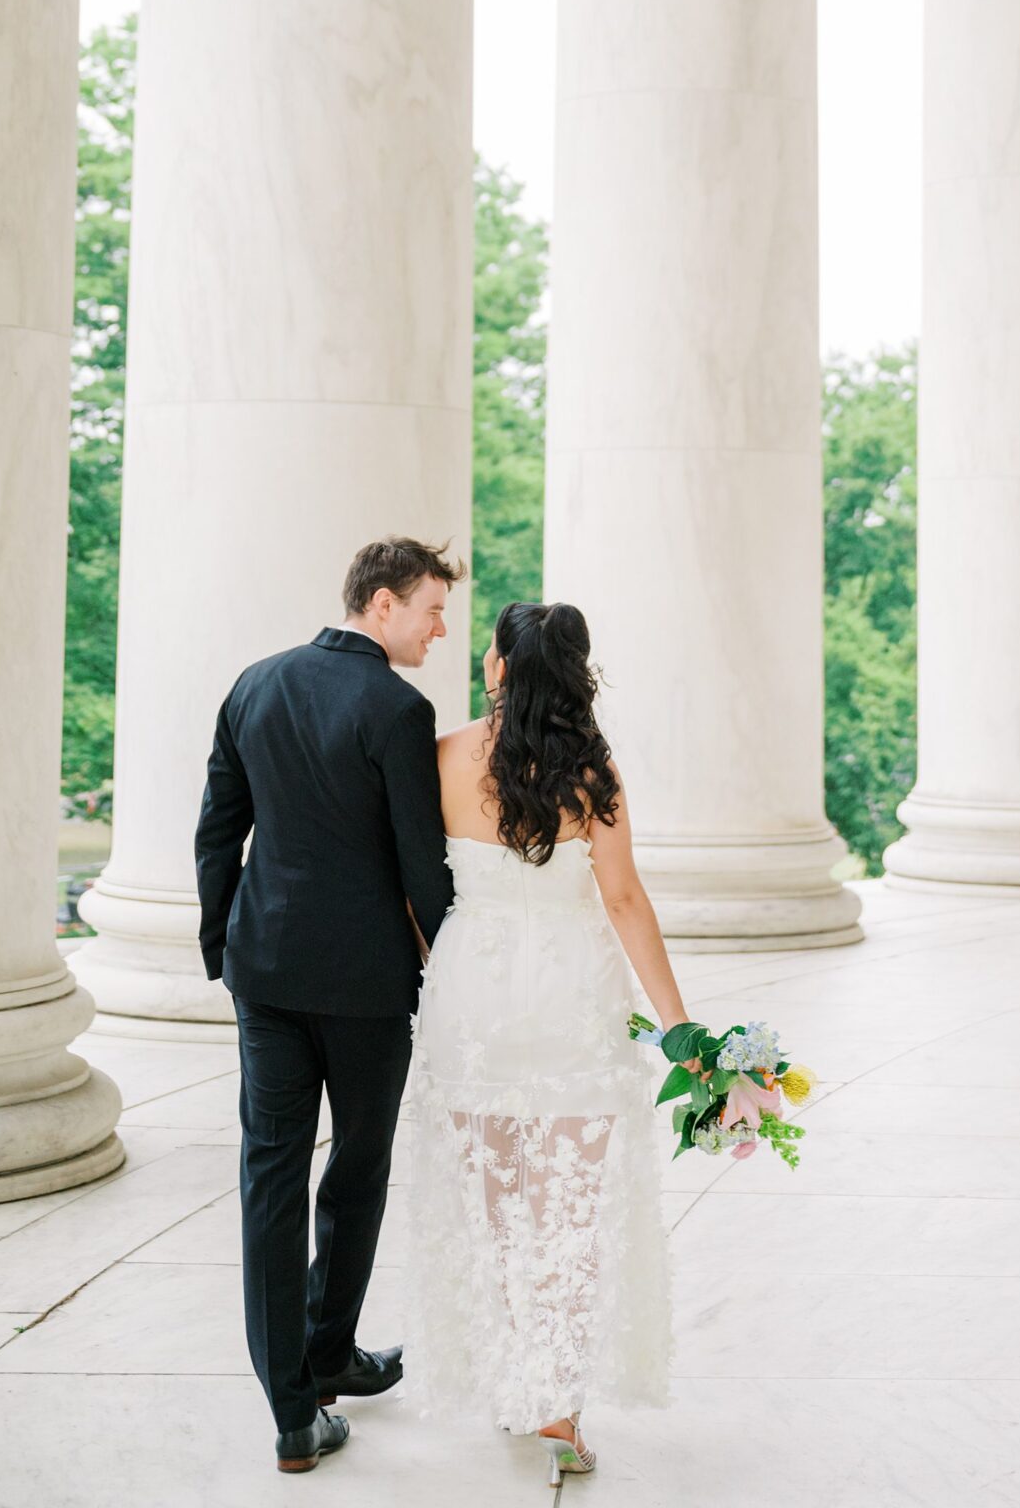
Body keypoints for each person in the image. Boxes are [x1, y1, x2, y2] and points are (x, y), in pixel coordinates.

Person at [195, 536, 461, 1475]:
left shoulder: (254, 683)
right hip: (363, 986)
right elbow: (419, 858)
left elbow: (219, 824)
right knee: (355, 1171)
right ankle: (325, 1351)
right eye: (431, 608)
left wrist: (218, 939)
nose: (439, 627)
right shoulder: (396, 707)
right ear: (381, 603)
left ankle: (294, 1404)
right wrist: (455, 962)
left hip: (261, 969)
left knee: (269, 1178)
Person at [400, 599, 681, 1486]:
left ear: (499, 669)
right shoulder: (593, 775)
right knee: (567, 1212)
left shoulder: (443, 757)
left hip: (473, 998)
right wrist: (679, 1027)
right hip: (571, 1002)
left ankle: (514, 1384)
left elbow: (416, 892)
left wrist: (437, 967)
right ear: (573, 674)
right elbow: (625, 902)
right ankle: (556, 1405)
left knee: (495, 1206)